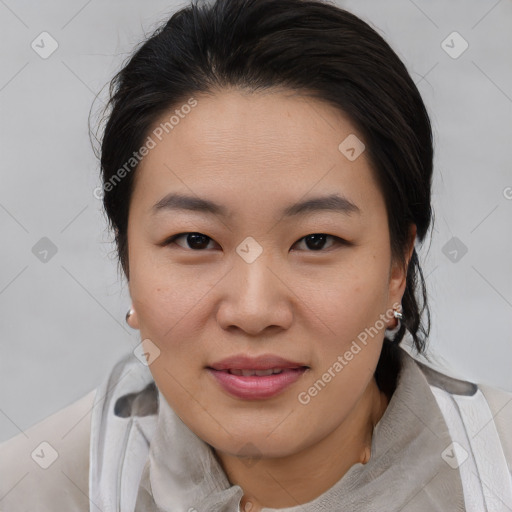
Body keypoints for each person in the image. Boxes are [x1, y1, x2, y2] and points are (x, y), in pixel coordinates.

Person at [1, 0, 511, 510]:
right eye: (196, 240)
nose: (253, 310)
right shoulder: (30, 489)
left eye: (316, 241)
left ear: (398, 265)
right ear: (127, 260)